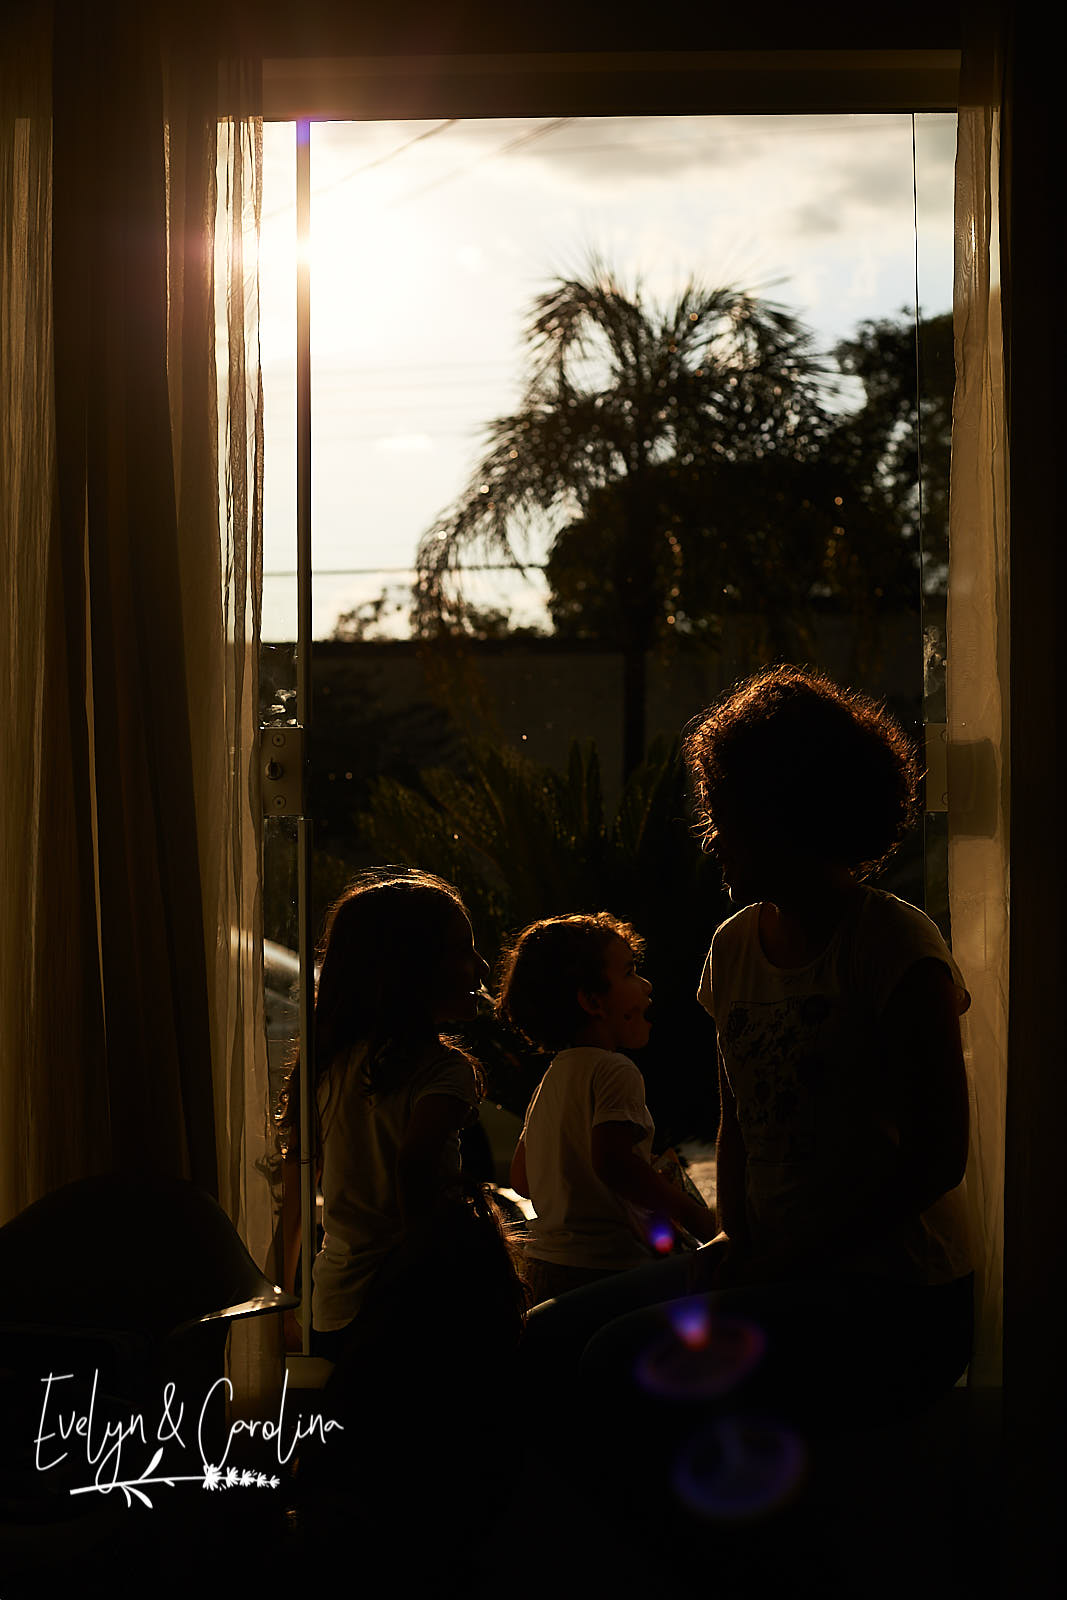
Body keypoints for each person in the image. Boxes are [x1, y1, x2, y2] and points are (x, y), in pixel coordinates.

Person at [520, 666, 975, 1460]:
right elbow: (740, 1118)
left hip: (896, 1296)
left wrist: (789, 1257)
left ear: (789, 812)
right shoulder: (732, 948)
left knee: (609, 1361)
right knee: (542, 1342)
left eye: (725, 813)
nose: (712, 836)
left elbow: (936, 1158)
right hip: (775, 1263)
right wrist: (733, 1239)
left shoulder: (895, 948)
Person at [500, 913, 716, 1305]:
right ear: (592, 1001)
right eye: (631, 972)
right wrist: (697, 1217)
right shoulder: (615, 1069)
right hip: (609, 1271)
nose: (647, 985)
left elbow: (522, 1178)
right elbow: (614, 1165)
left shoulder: (553, 1076)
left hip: (546, 1269)